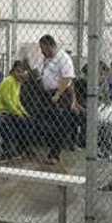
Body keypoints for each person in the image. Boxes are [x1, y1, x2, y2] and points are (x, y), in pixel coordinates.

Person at [37, 34, 79, 165]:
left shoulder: (63, 58)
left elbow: (67, 79)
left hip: (60, 95)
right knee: (49, 124)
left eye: (42, 48)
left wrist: (58, 95)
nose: (41, 51)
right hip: (47, 94)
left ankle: (54, 155)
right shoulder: (47, 59)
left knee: (59, 125)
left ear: (49, 45)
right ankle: (53, 152)